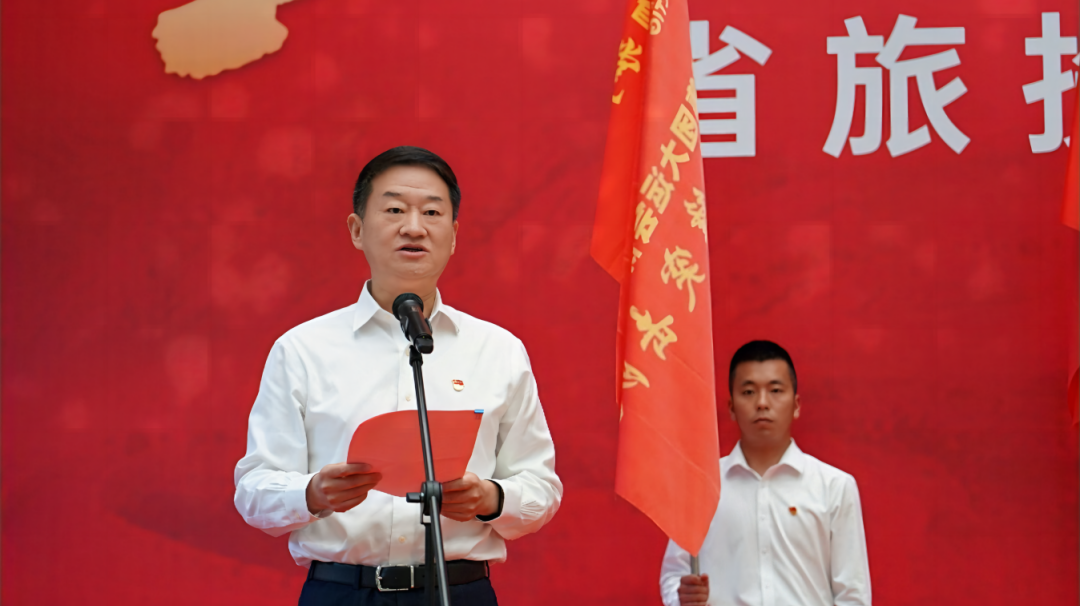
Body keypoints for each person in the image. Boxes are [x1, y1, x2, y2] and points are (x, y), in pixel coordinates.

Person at [234, 146, 562, 605]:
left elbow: (541, 488)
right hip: (342, 593)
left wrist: (490, 498)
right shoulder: (303, 349)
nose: (414, 227)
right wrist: (312, 492)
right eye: (394, 210)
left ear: (453, 235)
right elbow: (253, 491)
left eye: (432, 212)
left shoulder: (498, 350)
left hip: (459, 591)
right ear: (357, 230)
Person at [659, 340, 871, 606]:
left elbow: (853, 593)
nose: (762, 403)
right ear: (731, 407)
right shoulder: (702, 486)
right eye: (748, 392)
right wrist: (682, 597)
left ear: (796, 405)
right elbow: (674, 574)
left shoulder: (834, 487)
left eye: (775, 390)